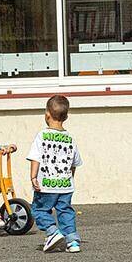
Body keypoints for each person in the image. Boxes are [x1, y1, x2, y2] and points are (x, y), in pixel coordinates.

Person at [27, 95, 83, 253]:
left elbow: (35, 158)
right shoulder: (70, 138)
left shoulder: (42, 136)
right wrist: (70, 177)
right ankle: (72, 241)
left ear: (47, 114)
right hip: (65, 185)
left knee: (38, 210)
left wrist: (33, 177)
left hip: (46, 184)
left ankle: (52, 232)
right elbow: (74, 163)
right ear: (66, 117)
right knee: (65, 211)